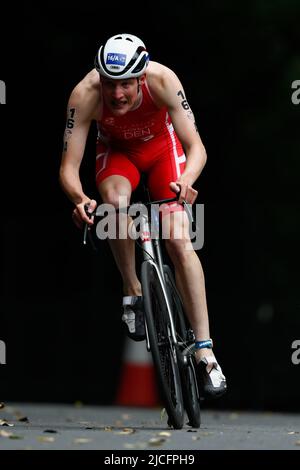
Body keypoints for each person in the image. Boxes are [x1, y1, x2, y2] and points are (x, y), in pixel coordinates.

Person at [59, 33, 227, 399]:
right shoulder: (84, 94)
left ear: (141, 78)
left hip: (161, 152)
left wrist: (185, 181)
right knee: (115, 205)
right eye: (109, 84)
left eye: (125, 85)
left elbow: (196, 146)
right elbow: (68, 168)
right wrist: (79, 197)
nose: (116, 94)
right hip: (117, 154)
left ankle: (205, 351)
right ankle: (132, 290)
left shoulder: (164, 80)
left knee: (180, 239)